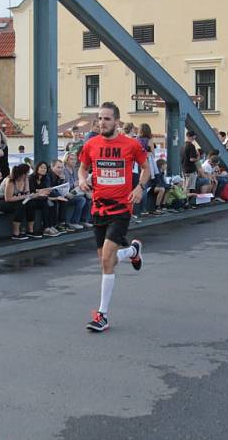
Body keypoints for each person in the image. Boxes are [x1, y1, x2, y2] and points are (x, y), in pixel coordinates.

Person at [78, 101, 148, 332]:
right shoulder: (91, 144)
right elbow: (83, 168)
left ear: (116, 121)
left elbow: (146, 169)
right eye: (99, 118)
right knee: (106, 261)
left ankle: (102, 315)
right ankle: (132, 251)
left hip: (121, 208)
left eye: (107, 118)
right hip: (98, 208)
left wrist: (139, 188)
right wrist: (81, 179)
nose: (102, 122)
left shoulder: (131, 145)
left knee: (107, 259)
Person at [0, 163, 35, 240]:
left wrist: (29, 196)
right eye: (27, 173)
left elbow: (27, 192)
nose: (28, 174)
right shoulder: (10, 181)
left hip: (16, 198)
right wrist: (24, 196)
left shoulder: (25, 179)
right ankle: (15, 233)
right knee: (20, 205)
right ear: (22, 174)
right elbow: (8, 198)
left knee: (30, 204)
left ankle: (30, 230)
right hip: (0, 201)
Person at [27, 161, 60, 237]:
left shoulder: (45, 178)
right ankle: (46, 227)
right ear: (37, 168)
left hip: (41, 198)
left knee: (49, 202)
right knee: (46, 202)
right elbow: (31, 190)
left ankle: (49, 226)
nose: (43, 169)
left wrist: (46, 191)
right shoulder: (31, 177)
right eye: (41, 167)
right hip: (31, 199)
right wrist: (41, 191)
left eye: (45, 168)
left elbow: (45, 190)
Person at [62, 152, 89, 228]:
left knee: (88, 198)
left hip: (74, 192)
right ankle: (73, 222)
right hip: (66, 194)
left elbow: (77, 184)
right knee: (81, 200)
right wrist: (74, 184)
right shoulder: (63, 169)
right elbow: (64, 185)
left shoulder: (75, 170)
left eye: (75, 159)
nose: (74, 161)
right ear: (66, 160)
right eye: (71, 159)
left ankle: (83, 220)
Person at [181, 131, 199, 203]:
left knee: (185, 186)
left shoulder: (183, 145)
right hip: (191, 169)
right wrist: (198, 158)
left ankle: (184, 201)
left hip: (184, 169)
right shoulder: (191, 146)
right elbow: (192, 159)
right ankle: (186, 202)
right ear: (193, 136)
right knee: (188, 187)